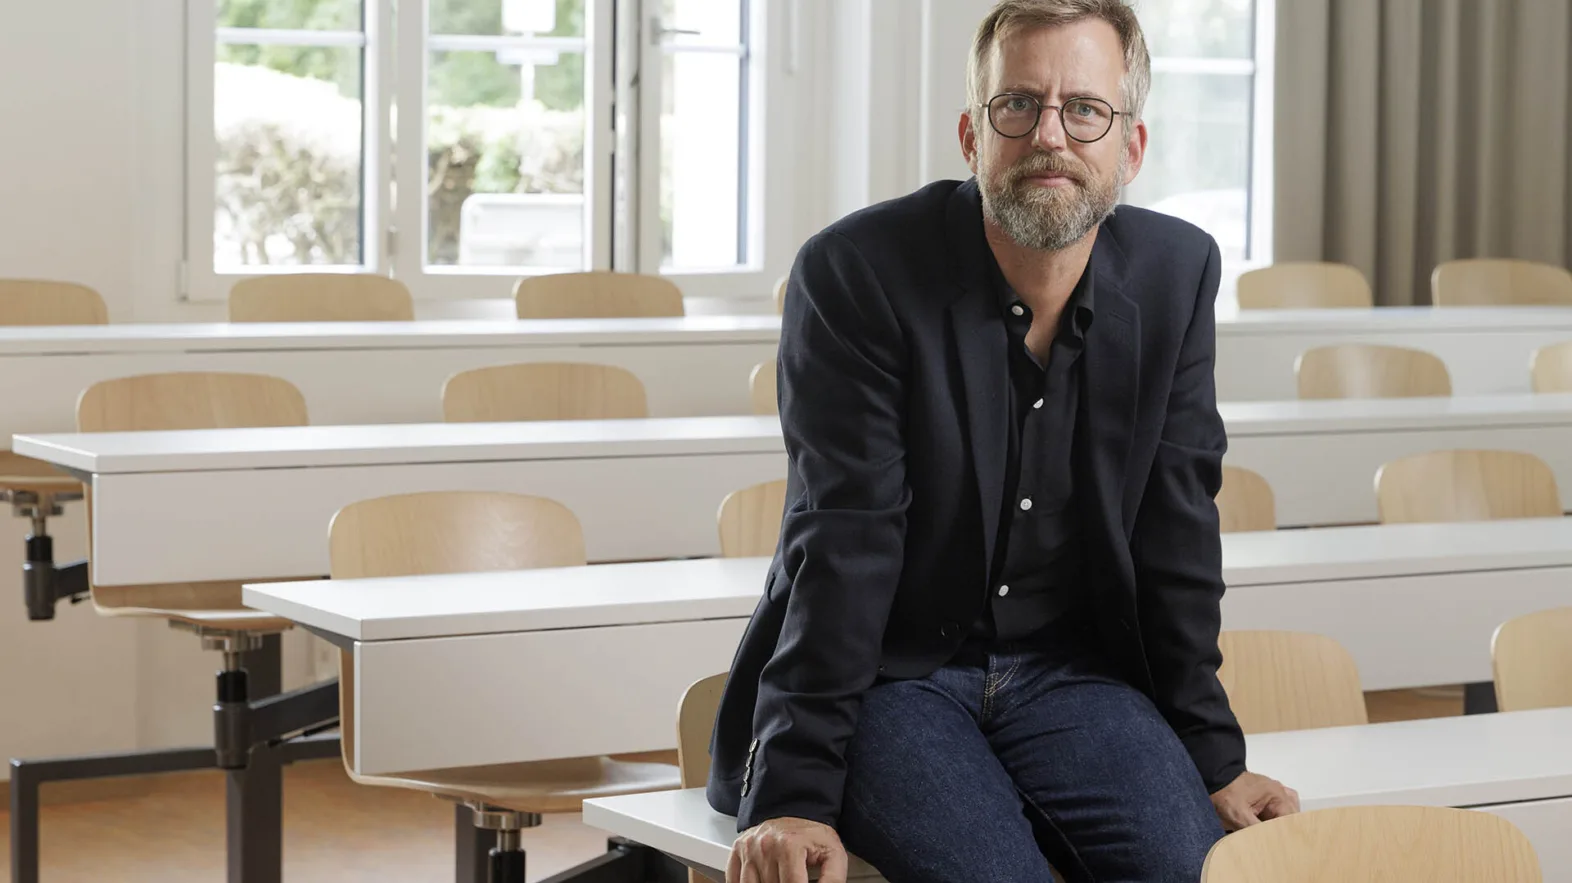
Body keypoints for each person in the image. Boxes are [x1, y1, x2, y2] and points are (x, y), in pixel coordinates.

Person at [706, 1, 1299, 880]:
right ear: (971, 137)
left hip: (1071, 672)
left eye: (1085, 109)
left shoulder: (1179, 273)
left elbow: (1177, 533)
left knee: (1191, 870)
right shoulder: (855, 272)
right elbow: (842, 541)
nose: (1049, 135)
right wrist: (792, 793)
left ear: (1130, 148)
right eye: (1016, 105)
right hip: (889, 678)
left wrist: (1214, 758)